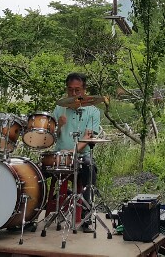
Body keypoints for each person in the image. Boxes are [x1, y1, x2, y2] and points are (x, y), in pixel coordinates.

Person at [52, 72, 102, 232]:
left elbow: (88, 137)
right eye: (70, 90)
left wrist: (72, 151)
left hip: (81, 156)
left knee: (89, 166)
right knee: (38, 170)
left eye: (77, 90)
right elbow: (50, 137)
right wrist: (59, 126)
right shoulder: (59, 108)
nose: (73, 93)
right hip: (60, 156)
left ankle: (87, 215)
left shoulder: (93, 111)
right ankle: (33, 213)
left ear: (84, 90)